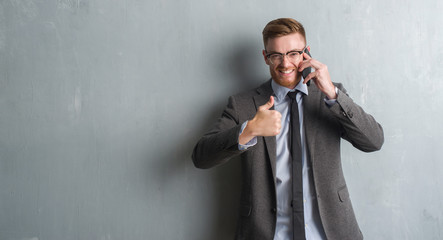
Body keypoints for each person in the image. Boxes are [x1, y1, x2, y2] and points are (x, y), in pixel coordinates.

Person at [192, 18, 384, 240]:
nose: (285, 64)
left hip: (331, 233)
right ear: (265, 57)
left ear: (306, 53)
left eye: (293, 53)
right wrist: (249, 130)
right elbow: (201, 157)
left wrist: (332, 93)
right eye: (276, 55)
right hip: (267, 234)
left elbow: (374, 141)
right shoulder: (243, 105)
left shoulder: (330, 95)